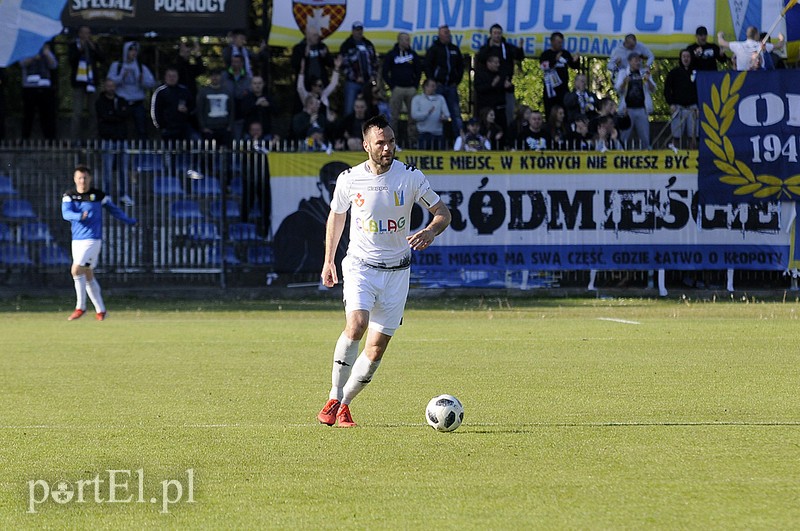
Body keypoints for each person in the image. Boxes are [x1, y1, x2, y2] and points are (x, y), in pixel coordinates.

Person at [316, 114, 452, 428]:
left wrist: (431, 231)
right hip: (361, 266)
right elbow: (336, 218)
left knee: (376, 349)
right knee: (357, 324)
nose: (388, 148)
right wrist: (328, 261)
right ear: (366, 146)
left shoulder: (411, 177)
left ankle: (346, 404)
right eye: (381, 143)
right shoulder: (350, 179)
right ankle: (334, 396)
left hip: (398, 272)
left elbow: (442, 212)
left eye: (391, 141)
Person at [61, 165, 137, 321]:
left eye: (85, 177)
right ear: (75, 179)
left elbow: (114, 210)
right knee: (88, 274)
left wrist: (128, 220)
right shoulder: (69, 196)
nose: (82, 181)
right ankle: (101, 311)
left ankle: (80, 307)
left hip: (92, 239)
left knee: (76, 270)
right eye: (79, 178)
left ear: (90, 178)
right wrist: (78, 216)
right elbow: (66, 213)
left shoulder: (98, 196)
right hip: (76, 241)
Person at [273, 161, 351, 275]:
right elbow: (290, 263)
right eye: (333, 186)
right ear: (320, 186)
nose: (339, 192)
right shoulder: (297, 222)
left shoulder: (359, 216)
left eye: (347, 187)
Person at [476, 24, 525, 126]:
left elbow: (519, 56)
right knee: (489, 114)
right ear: (491, 34)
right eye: (495, 33)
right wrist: (488, 47)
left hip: (505, 84)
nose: (497, 36)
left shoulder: (506, 47)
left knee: (507, 114)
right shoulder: (486, 48)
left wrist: (520, 48)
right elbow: (480, 59)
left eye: (499, 33)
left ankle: (507, 137)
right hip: (491, 86)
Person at [95, 78, 133, 206]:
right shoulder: (100, 102)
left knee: (123, 169)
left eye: (112, 86)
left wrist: (115, 115)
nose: (110, 88)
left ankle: (124, 194)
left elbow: (127, 114)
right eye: (108, 86)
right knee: (107, 169)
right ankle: (107, 195)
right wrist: (117, 115)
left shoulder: (120, 100)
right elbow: (105, 116)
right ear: (104, 87)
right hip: (108, 139)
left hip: (122, 138)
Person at [108, 42, 156, 140]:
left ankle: (142, 150)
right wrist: (121, 77)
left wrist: (141, 81)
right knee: (121, 128)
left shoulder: (141, 67)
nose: (133, 52)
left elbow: (151, 83)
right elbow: (110, 82)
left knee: (141, 129)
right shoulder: (117, 66)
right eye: (131, 50)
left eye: (135, 50)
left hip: (137, 102)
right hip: (122, 102)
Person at [382, 32, 422, 146]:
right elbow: (385, 72)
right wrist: (392, 86)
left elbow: (418, 71)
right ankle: (393, 142)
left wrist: (415, 85)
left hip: (411, 89)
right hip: (397, 89)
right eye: (405, 40)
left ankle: (412, 141)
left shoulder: (413, 55)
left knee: (413, 116)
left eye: (408, 40)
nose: (407, 42)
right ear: (399, 41)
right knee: (393, 116)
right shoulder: (391, 54)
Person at [424, 25, 464, 137]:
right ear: (440, 34)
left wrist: (457, 80)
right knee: (436, 113)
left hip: (451, 86)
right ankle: (436, 139)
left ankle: (460, 140)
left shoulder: (455, 49)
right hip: (439, 86)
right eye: (445, 33)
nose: (448, 35)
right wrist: (432, 81)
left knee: (455, 114)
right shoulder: (434, 49)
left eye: (448, 32)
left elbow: (460, 66)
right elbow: (427, 65)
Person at [68, 25, 104, 141]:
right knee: (77, 113)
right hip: (79, 83)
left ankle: (92, 139)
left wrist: (94, 49)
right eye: (83, 33)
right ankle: (74, 139)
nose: (85, 36)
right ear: (79, 34)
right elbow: (71, 60)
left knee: (94, 113)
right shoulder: (74, 46)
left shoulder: (94, 45)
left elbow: (102, 59)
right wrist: (81, 49)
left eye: (88, 33)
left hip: (92, 83)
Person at [615, 52, 656, 149]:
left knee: (645, 137)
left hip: (642, 109)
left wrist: (648, 80)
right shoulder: (623, 73)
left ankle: (647, 153)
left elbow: (653, 89)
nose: (638, 62)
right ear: (629, 61)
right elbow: (618, 90)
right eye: (635, 60)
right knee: (624, 135)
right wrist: (624, 82)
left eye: (639, 60)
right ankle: (620, 154)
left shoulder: (644, 73)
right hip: (627, 110)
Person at [339, 21, 379, 116]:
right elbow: (344, 65)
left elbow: (375, 62)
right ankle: (348, 130)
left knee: (369, 109)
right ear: (353, 31)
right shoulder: (346, 45)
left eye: (360, 30)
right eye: (357, 30)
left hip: (368, 83)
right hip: (352, 83)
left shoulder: (368, 44)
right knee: (349, 109)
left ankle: (367, 129)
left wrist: (373, 77)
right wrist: (355, 77)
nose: (359, 32)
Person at [20, 44, 58, 140]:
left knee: (46, 115)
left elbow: (54, 65)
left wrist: (47, 54)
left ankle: (49, 139)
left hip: (44, 86)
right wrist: (33, 56)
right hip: (30, 87)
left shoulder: (46, 49)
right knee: (28, 115)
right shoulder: (25, 49)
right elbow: (22, 63)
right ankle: (25, 138)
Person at [539, 32, 581, 117]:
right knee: (550, 113)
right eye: (558, 42)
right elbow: (543, 66)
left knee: (564, 112)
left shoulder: (565, 53)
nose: (560, 44)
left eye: (561, 42)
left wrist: (576, 60)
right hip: (550, 89)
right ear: (552, 41)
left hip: (563, 89)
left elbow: (574, 66)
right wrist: (555, 60)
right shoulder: (546, 54)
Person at [151, 67, 197, 141]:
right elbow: (155, 111)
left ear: (178, 77)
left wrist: (187, 110)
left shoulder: (184, 91)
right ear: (165, 77)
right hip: (167, 127)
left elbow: (193, 106)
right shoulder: (160, 92)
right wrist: (160, 126)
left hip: (183, 126)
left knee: (196, 140)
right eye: (169, 76)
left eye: (174, 76)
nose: (172, 78)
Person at [664, 49, 698, 149]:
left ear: (691, 58)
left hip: (692, 108)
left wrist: (698, 106)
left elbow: (701, 89)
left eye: (688, 56)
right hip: (678, 108)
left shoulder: (696, 73)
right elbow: (667, 89)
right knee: (676, 135)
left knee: (693, 135)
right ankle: (675, 155)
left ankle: (692, 158)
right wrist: (671, 104)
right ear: (680, 58)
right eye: (684, 56)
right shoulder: (674, 73)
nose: (686, 59)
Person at [474, 53, 511, 136]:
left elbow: (509, 88)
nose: (498, 65)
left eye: (498, 63)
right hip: (486, 107)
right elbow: (479, 89)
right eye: (495, 63)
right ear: (489, 63)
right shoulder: (481, 74)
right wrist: (492, 84)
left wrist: (508, 86)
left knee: (501, 130)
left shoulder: (501, 74)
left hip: (500, 108)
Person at [718, 27, 785, 71]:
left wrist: (720, 35)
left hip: (742, 80)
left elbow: (721, 42)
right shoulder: (762, 45)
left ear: (747, 35)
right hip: (759, 79)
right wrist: (781, 37)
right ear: (756, 35)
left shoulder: (738, 45)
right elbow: (780, 45)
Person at [196, 68, 234, 145]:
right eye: (212, 76)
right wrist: (203, 127)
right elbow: (200, 110)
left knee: (225, 152)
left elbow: (232, 109)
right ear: (210, 77)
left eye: (217, 75)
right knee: (209, 154)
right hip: (209, 129)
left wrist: (230, 126)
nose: (215, 77)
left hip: (224, 128)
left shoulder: (227, 92)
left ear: (220, 76)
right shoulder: (203, 92)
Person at [410, 78, 450, 149]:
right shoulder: (417, 99)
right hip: (423, 134)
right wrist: (427, 113)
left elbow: (447, 114)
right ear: (425, 87)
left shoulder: (440, 99)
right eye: (432, 86)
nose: (434, 88)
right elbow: (414, 115)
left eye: (435, 86)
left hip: (438, 134)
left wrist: (444, 117)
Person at [291, 25, 334, 90]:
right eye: (314, 35)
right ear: (308, 36)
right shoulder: (299, 48)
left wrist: (325, 57)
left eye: (317, 35)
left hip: (320, 83)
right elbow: (294, 65)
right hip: (305, 84)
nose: (317, 37)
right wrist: (304, 55)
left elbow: (331, 64)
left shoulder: (322, 46)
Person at [221, 54, 253, 140]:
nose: (234, 64)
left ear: (242, 63)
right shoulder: (224, 76)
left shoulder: (247, 78)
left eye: (237, 62)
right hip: (226, 111)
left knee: (238, 137)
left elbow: (248, 92)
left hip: (240, 113)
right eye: (233, 62)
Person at [241, 75, 277, 143]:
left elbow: (276, 112)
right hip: (249, 133)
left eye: (259, 83)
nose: (257, 86)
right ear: (251, 85)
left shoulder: (268, 98)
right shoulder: (246, 98)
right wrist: (256, 104)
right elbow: (243, 112)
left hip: (266, 133)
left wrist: (268, 105)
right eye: (255, 83)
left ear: (263, 84)